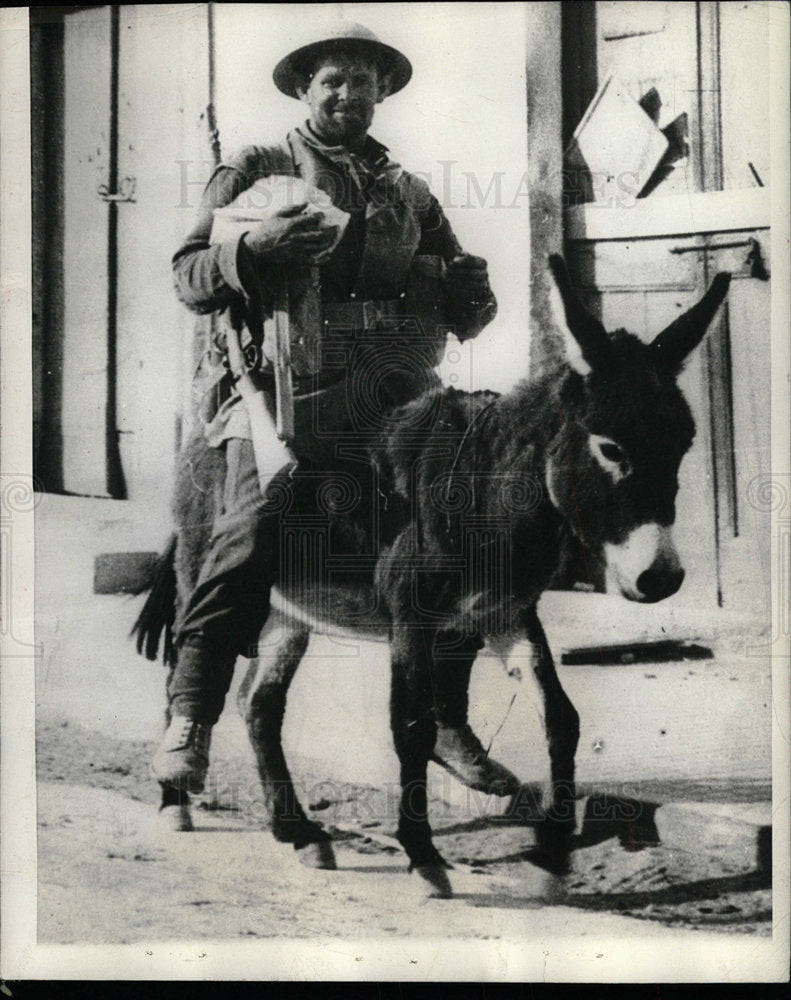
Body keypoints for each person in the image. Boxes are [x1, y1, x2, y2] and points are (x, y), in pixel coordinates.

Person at [152, 21, 520, 798]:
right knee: (252, 526)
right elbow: (188, 276)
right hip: (277, 395)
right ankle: (188, 717)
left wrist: (471, 295)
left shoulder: (407, 191)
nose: (349, 95)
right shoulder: (256, 168)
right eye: (333, 81)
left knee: (464, 527)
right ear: (303, 90)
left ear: (383, 94)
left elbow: (466, 309)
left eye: (364, 82)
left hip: (389, 401)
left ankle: (446, 719)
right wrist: (250, 253)